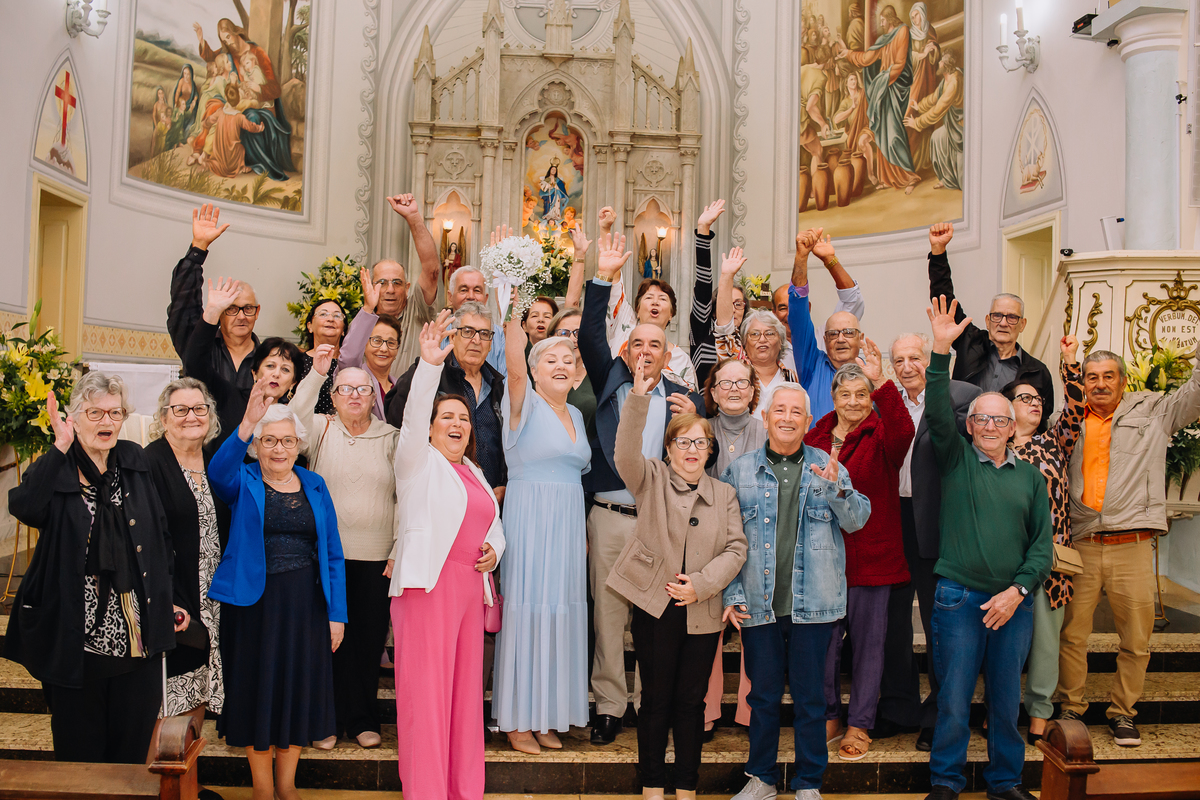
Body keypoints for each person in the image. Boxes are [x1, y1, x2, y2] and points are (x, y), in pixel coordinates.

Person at [6, 374, 181, 763]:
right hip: (75, 638)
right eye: (95, 413)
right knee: (79, 756)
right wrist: (60, 447)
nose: (107, 421)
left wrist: (167, 597)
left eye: (115, 413)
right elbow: (26, 507)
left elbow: (159, 535)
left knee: (130, 753)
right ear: (74, 418)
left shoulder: (134, 459)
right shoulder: (58, 465)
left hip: (137, 636)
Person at [923, 296, 1051, 800]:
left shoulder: (1030, 479)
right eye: (983, 420)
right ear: (970, 425)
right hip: (959, 598)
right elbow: (938, 409)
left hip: (1013, 604)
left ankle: (1005, 782)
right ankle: (945, 781)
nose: (992, 427)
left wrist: (1018, 592)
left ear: (1013, 427)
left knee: (1005, 702)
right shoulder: (955, 460)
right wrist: (940, 350)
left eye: (1002, 420)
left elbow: (1041, 548)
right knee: (954, 699)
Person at [579, 232, 705, 746]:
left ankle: (652, 704)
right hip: (610, 517)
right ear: (626, 352)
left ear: (667, 353)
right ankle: (610, 706)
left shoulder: (683, 398)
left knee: (654, 620)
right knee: (608, 617)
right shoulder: (609, 384)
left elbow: (701, 457)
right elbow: (589, 333)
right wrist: (602, 278)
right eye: (638, 344)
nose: (646, 351)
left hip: (660, 521)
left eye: (655, 345)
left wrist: (697, 416)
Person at [723, 383, 872, 800]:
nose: (787, 418)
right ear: (766, 417)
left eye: (796, 412)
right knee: (763, 697)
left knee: (811, 699)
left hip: (816, 606)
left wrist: (837, 488)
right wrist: (732, 594)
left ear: (808, 422)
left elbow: (857, 520)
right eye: (780, 410)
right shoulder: (739, 471)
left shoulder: (828, 466)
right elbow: (725, 541)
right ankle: (762, 779)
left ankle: (808, 783)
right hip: (758, 604)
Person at [610, 359, 747, 798]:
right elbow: (624, 453)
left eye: (700, 442)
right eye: (683, 442)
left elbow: (736, 549)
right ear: (669, 449)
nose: (691, 449)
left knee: (691, 703)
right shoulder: (650, 478)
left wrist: (702, 584)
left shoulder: (724, 494)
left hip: (702, 610)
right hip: (655, 607)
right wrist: (637, 398)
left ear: (710, 451)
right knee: (655, 701)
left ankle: (686, 786)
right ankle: (652, 784)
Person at [1056, 341, 1200, 747]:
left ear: (1123, 382)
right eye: (1092, 377)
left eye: (1108, 376)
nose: (1100, 384)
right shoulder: (1069, 418)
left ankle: (1123, 713)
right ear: (1083, 382)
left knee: (1136, 640)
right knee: (1072, 635)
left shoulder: (1154, 412)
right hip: (1082, 543)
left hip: (1132, 544)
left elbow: (1196, 392)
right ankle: (1071, 707)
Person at [208, 378, 347, 799]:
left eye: (287, 440)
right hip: (254, 605)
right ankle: (262, 789)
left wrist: (336, 615)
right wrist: (247, 424)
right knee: (257, 692)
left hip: (306, 605)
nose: (279, 449)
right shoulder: (242, 479)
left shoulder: (315, 484)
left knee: (296, 693)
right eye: (269, 440)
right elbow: (217, 472)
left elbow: (333, 554)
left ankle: (287, 786)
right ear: (257, 446)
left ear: (299, 444)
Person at [389, 311, 505, 798]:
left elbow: (493, 524)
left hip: (468, 594)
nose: (457, 424)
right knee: (427, 697)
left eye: (463, 418)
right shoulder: (417, 463)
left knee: (463, 700)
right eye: (447, 418)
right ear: (432, 428)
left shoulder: (474, 472)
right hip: (427, 590)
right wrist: (430, 365)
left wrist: (494, 551)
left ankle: (462, 789)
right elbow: (413, 416)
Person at [872, 333, 979, 751]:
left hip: (938, 522)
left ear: (932, 359)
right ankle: (898, 707)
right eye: (898, 360)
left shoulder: (962, 396)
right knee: (891, 622)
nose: (906, 367)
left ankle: (939, 713)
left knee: (940, 625)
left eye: (914, 357)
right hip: (891, 520)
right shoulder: (883, 402)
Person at [290, 346, 400, 749]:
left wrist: (398, 548)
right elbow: (291, 420)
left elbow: (405, 497)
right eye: (345, 389)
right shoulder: (320, 429)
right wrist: (317, 375)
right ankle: (327, 720)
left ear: (374, 397)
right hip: (325, 558)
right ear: (333, 398)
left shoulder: (392, 438)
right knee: (328, 642)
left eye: (363, 389)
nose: (354, 395)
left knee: (367, 642)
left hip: (376, 558)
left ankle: (363, 719)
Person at [806, 358, 915, 761]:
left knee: (870, 647)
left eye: (861, 394)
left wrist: (882, 380)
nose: (853, 401)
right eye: (845, 394)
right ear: (833, 398)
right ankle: (829, 715)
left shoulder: (883, 434)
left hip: (873, 559)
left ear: (871, 399)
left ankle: (860, 723)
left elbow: (905, 429)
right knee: (824, 647)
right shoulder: (814, 437)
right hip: (824, 561)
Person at [493, 312, 591, 753]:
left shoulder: (577, 414)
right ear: (534, 371)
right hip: (531, 519)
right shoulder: (524, 402)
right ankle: (518, 720)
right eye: (550, 359)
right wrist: (511, 318)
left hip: (567, 523)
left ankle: (547, 715)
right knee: (529, 611)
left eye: (568, 359)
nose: (561, 365)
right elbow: (514, 369)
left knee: (561, 613)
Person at [1001, 335, 1086, 744]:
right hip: (1005, 562)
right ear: (1006, 407)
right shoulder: (992, 448)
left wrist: (1070, 363)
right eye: (1024, 398)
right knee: (1005, 643)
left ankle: (1038, 715)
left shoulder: (1054, 442)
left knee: (1047, 644)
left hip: (1052, 562)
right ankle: (1001, 710)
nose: (1034, 403)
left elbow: (1076, 411)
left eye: (1038, 399)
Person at [144, 378, 228, 743]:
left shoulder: (214, 460)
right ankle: (158, 774)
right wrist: (164, 599)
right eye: (180, 409)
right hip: (174, 598)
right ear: (164, 418)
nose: (191, 416)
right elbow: (144, 540)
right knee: (169, 702)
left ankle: (185, 774)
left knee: (198, 693)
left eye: (199, 408)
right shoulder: (149, 463)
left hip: (214, 599)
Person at [926, 222, 1055, 420]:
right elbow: (944, 297)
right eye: (997, 316)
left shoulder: (1038, 372)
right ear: (988, 321)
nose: (1003, 323)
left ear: (1022, 324)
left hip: (1007, 438)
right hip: (962, 433)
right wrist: (938, 251)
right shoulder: (970, 342)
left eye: (1012, 317)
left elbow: (1041, 420)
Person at [700, 357, 764, 734]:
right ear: (713, 391)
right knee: (708, 628)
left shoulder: (768, 431)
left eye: (742, 382)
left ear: (753, 390)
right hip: (708, 540)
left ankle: (751, 712)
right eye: (726, 383)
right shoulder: (701, 429)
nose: (734, 389)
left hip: (757, 541)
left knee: (754, 629)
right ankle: (705, 712)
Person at [387, 301, 507, 498]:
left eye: (484, 334)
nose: (476, 340)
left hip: (491, 498)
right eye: (468, 331)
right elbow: (395, 416)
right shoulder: (431, 371)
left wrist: (504, 483)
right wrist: (426, 366)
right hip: (439, 494)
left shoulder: (499, 386)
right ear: (453, 336)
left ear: (491, 343)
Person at [167, 205, 258, 452]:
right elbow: (183, 308)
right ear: (220, 312)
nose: (241, 316)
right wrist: (198, 248)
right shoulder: (199, 349)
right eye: (232, 308)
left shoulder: (268, 359)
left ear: (257, 312)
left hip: (254, 460)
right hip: (200, 452)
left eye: (248, 308)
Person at [597, 208, 699, 391]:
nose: (655, 302)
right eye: (649, 297)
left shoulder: (680, 360)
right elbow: (613, 277)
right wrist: (605, 229)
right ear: (637, 309)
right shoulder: (623, 325)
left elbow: (690, 401)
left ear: (671, 314)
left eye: (662, 299)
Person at [835, 5, 921, 193]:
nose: (881, 24)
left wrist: (883, 79)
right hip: (884, 90)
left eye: (882, 20)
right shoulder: (883, 39)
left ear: (889, 18)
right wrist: (848, 53)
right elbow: (867, 59)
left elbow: (900, 63)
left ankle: (909, 176)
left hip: (895, 88)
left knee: (894, 134)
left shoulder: (902, 31)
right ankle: (888, 178)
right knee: (882, 133)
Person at [787, 229, 868, 424]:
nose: (840, 339)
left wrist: (830, 260)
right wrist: (801, 257)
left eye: (848, 333)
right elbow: (798, 316)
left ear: (861, 338)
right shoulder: (812, 366)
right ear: (825, 339)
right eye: (833, 334)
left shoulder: (871, 374)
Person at [372, 193, 445, 377]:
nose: (390, 290)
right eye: (382, 283)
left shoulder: (417, 310)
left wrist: (413, 217)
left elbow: (432, 270)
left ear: (407, 288)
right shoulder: (362, 322)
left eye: (397, 283)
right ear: (372, 288)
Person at [340, 268, 404, 419]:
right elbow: (348, 357)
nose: (384, 348)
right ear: (364, 345)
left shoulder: (400, 386)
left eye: (391, 343)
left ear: (397, 349)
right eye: (377, 341)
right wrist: (368, 308)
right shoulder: (355, 376)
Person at [905, 52, 964, 191]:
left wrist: (917, 123)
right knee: (936, 138)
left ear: (946, 66)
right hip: (953, 124)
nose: (938, 63)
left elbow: (938, 109)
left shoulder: (954, 82)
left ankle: (958, 181)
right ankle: (946, 178)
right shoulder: (947, 79)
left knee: (963, 176)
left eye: (941, 62)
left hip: (961, 126)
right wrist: (919, 106)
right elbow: (935, 97)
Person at [688, 199, 727, 385]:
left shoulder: (749, 339)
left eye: (738, 304)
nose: (732, 308)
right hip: (705, 403)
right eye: (726, 301)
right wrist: (703, 230)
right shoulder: (703, 331)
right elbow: (704, 284)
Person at [549, 307, 597, 433]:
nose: (572, 339)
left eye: (578, 333)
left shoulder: (599, 380)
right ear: (551, 337)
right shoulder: (540, 379)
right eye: (564, 333)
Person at [296, 298, 346, 415]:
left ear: (343, 329)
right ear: (310, 326)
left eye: (337, 316)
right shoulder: (297, 361)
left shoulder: (349, 363)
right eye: (323, 314)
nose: (330, 319)